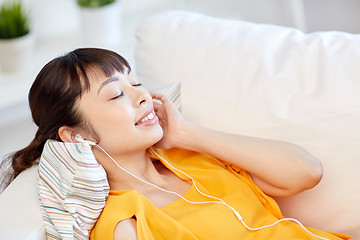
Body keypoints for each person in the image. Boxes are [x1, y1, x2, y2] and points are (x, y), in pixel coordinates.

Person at [1, 48, 350, 240]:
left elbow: (307, 172)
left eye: (136, 82)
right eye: (117, 94)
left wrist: (186, 133)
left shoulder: (192, 158)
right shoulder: (125, 220)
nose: (141, 96)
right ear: (78, 136)